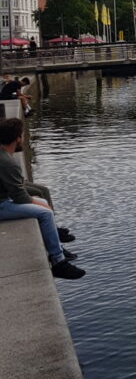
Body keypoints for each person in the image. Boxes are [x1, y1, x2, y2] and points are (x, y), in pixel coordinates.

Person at [0, 118, 85, 279]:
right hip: (2, 205)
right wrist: (41, 205)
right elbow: (19, 196)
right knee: (45, 213)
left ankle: (55, 242)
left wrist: (38, 202)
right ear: (17, 138)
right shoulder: (8, 162)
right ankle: (58, 261)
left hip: (4, 200)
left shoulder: (4, 157)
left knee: (43, 203)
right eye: (22, 135)